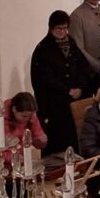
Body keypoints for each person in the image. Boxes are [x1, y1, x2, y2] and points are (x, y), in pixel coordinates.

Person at [31, 10, 94, 155]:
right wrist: (66, 90)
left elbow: (84, 68)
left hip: (74, 102)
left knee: (74, 140)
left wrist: (80, 87)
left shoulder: (72, 45)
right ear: (51, 28)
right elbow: (43, 78)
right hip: (55, 104)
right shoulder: (43, 49)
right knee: (57, 141)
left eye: (65, 28)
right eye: (59, 28)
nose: (62, 32)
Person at [0, 92, 48, 162]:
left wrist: (41, 140)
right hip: (0, 162)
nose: (27, 119)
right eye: (24, 116)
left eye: (30, 116)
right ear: (14, 109)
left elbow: (37, 141)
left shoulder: (31, 117)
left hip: (20, 159)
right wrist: (11, 157)